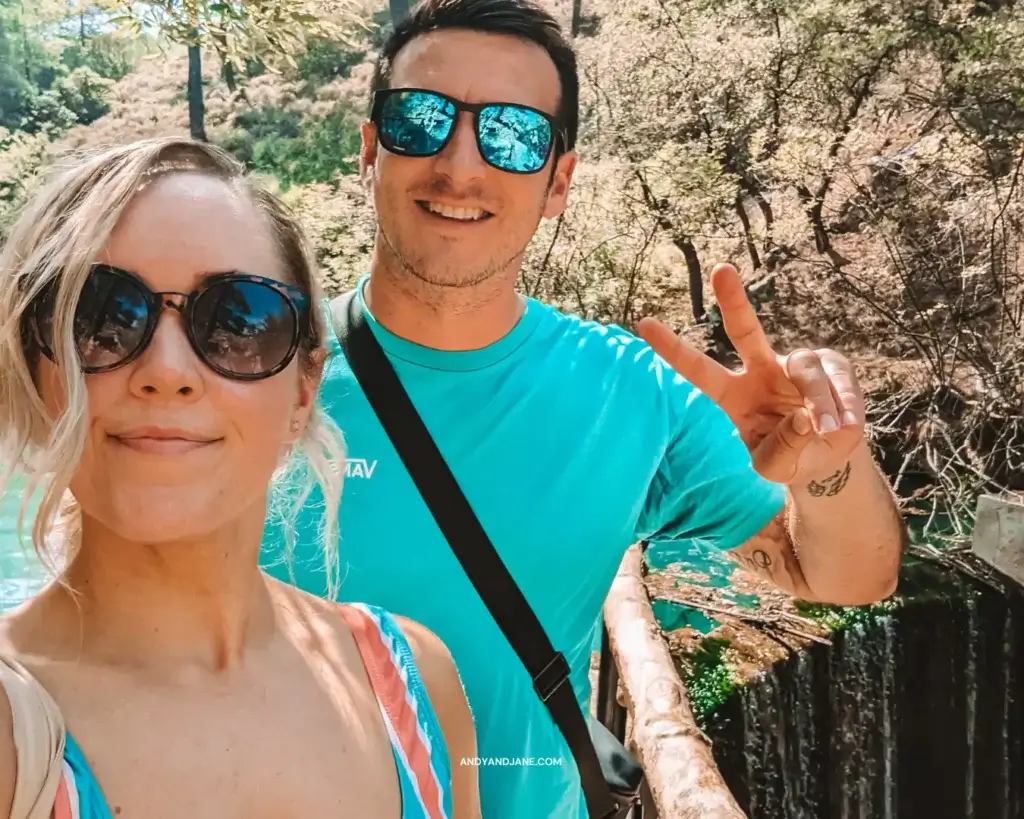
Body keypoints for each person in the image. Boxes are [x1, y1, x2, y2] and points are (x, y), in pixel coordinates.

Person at [260, 0, 908, 816]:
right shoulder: (252, 371)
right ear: (368, 149)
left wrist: (829, 469)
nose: (461, 163)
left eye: (514, 134)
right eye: (420, 119)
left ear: (558, 180)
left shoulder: (628, 392)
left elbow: (849, 575)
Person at [0, 138, 481, 819]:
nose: (167, 369)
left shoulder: (414, 684)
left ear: (304, 390)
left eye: (238, 320)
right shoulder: (13, 739)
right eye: (102, 317)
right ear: (34, 366)